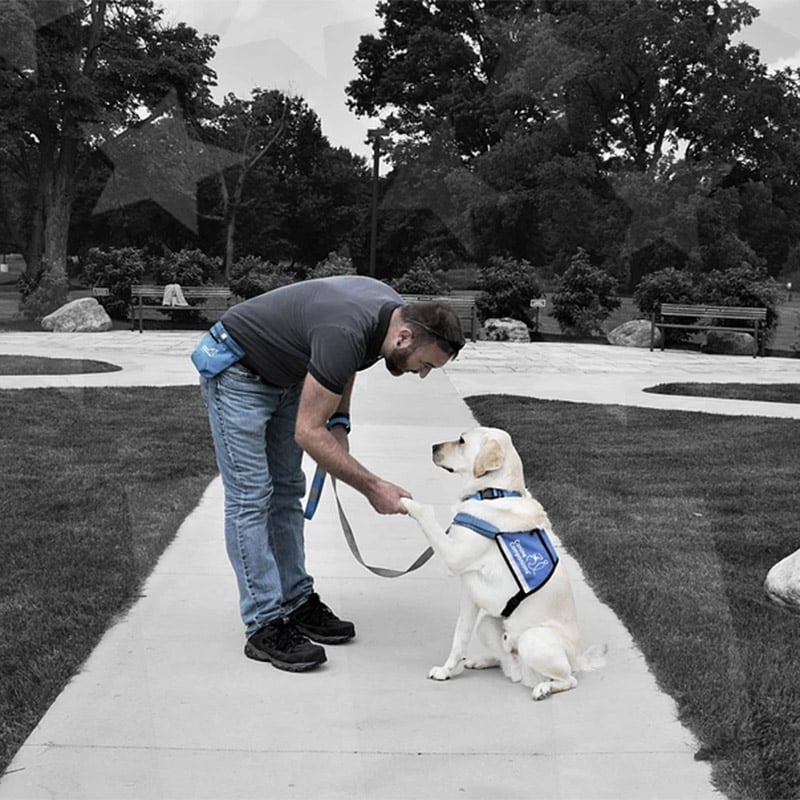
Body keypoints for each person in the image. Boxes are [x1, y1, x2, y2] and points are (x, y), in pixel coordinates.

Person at [197, 275, 465, 673]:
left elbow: (349, 362)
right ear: (406, 337)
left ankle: (296, 601)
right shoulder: (347, 327)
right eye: (425, 365)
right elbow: (308, 430)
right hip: (237, 370)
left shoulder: (388, 316)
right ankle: (264, 624)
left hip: (288, 375)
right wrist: (373, 488)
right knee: (251, 498)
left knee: (287, 491)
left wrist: (340, 421)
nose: (422, 374)